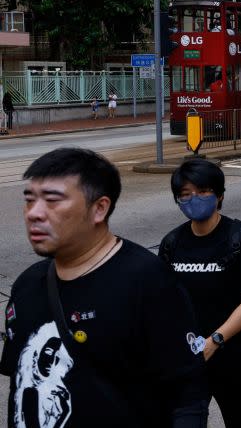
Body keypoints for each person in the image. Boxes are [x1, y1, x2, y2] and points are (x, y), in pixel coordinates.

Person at [1, 148, 208, 427]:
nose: (34, 214)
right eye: (29, 201)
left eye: (52, 201)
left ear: (99, 208)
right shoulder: (27, 285)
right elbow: (19, 386)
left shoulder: (148, 281)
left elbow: (188, 396)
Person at [159, 159, 241, 427]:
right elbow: (164, 301)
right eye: (185, 195)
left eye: (202, 192)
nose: (193, 199)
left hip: (237, 353)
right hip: (190, 355)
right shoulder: (172, 243)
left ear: (220, 195)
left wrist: (216, 340)